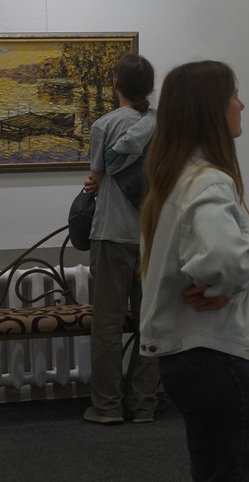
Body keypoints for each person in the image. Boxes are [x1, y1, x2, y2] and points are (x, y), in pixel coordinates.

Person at [138, 60, 249, 480]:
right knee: (234, 472)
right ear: (211, 109)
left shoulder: (174, 175)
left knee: (238, 466)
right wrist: (226, 283)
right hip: (212, 355)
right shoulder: (209, 182)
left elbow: (210, 259)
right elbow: (223, 261)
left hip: (190, 356)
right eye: (234, 96)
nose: (241, 105)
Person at [83, 52, 160, 425]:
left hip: (112, 234)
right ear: (149, 87)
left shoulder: (104, 125)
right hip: (153, 239)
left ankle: (107, 406)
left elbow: (96, 180)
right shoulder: (162, 126)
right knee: (151, 325)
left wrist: (93, 183)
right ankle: (143, 405)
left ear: (116, 84)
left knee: (108, 327)